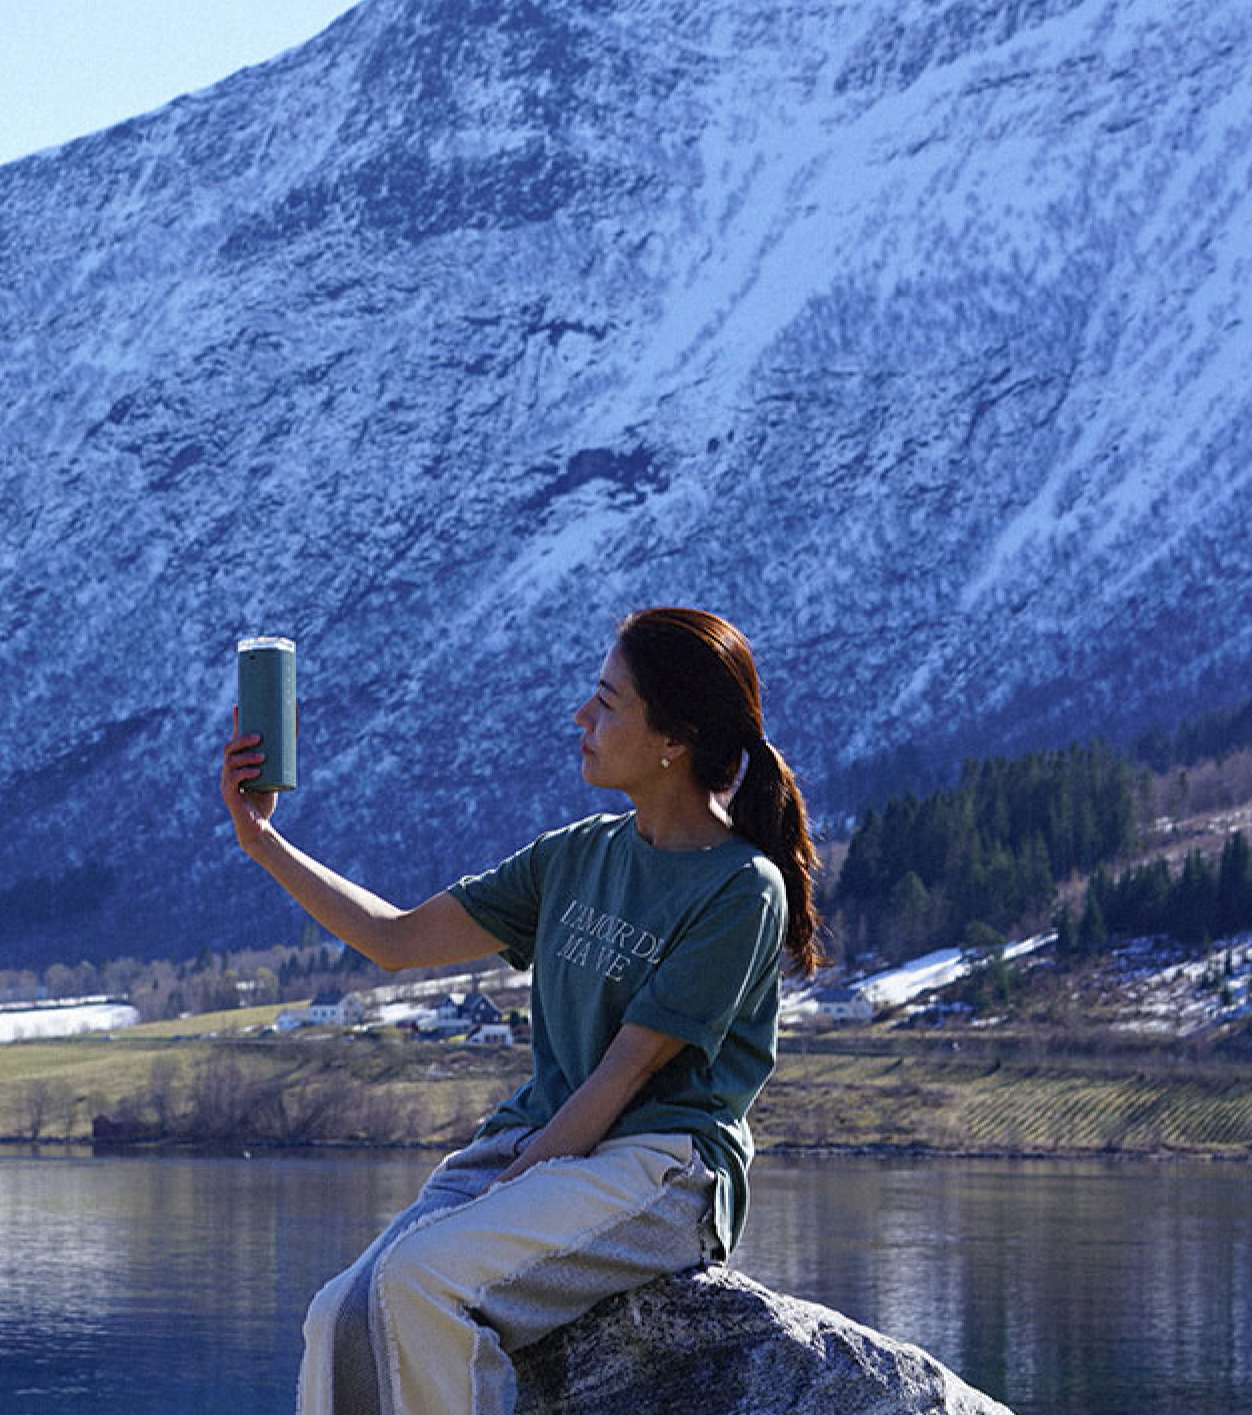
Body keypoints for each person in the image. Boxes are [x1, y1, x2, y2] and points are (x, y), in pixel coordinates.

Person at [219, 606, 824, 1415]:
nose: (582, 716)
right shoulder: (577, 854)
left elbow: (622, 1076)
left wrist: (507, 1184)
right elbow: (394, 939)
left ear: (672, 738)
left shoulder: (742, 889)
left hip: (662, 1166)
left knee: (423, 1282)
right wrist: (261, 841)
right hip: (544, 1142)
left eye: (608, 703)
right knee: (338, 1312)